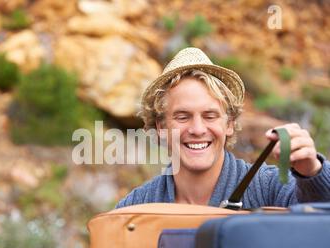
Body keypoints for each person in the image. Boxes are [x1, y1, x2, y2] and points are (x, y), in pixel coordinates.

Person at [116, 47, 330, 209]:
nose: (198, 129)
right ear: (162, 127)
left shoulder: (268, 187)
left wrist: (311, 172)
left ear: (229, 124)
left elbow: (318, 217)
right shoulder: (135, 207)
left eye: (210, 116)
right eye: (182, 117)